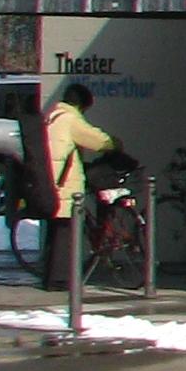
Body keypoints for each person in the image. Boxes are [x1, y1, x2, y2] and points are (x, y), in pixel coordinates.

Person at [38, 82, 117, 290]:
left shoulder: (51, 116)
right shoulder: (71, 119)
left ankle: (50, 277)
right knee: (66, 233)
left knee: (55, 233)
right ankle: (62, 280)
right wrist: (114, 143)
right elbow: (97, 140)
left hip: (50, 182)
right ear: (81, 104)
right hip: (65, 185)